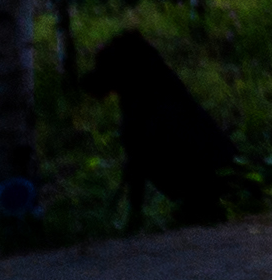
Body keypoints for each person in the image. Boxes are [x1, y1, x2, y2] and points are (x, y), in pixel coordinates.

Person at [80, 24, 239, 229]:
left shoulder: (143, 100)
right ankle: (195, 207)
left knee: (140, 152)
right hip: (224, 178)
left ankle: (187, 209)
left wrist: (133, 213)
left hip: (204, 182)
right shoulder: (162, 86)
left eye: (104, 70)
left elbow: (137, 158)